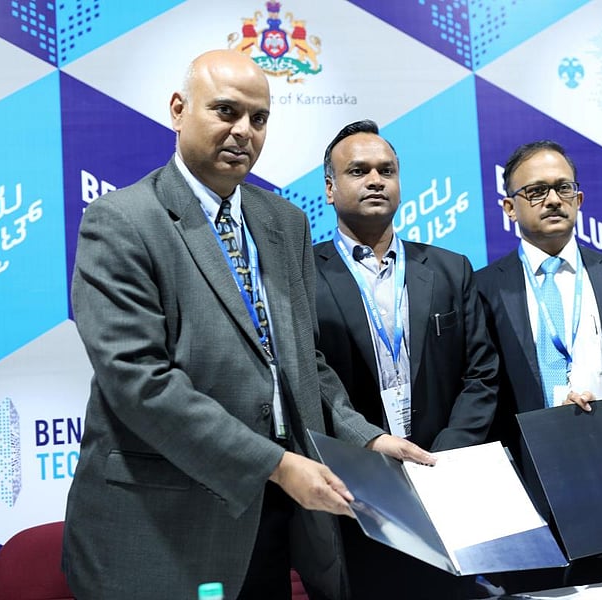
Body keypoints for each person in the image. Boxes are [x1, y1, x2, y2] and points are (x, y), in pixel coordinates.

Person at [62, 50, 432, 600]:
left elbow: (305, 361)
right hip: (164, 518)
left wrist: (367, 438)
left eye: (258, 119)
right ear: (178, 110)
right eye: (226, 112)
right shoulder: (120, 221)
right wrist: (276, 463)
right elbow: (139, 382)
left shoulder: (283, 221)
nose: (244, 132)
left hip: (277, 518)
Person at [313, 119, 500, 599]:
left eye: (386, 170)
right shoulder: (303, 273)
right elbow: (308, 375)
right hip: (353, 488)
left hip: (443, 482)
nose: (375, 180)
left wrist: (443, 456)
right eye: (358, 171)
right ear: (330, 190)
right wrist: (368, 444)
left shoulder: (447, 267)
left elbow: (481, 373)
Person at [475, 140, 602, 590]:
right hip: (527, 493)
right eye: (534, 192)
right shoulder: (481, 288)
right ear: (509, 207)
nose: (552, 200)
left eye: (562, 188)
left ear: (579, 199)